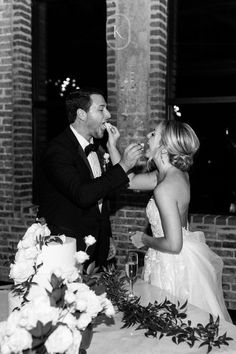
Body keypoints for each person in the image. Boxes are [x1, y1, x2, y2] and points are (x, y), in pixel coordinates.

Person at [107, 119, 231, 322]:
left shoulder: (164, 187)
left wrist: (144, 239)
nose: (148, 136)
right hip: (174, 259)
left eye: (153, 134)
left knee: (168, 324)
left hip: (172, 266)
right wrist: (113, 145)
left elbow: (173, 244)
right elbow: (128, 181)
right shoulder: (174, 174)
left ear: (164, 148)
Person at [37, 88, 143, 267]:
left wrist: (106, 237)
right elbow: (83, 195)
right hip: (68, 248)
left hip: (98, 245)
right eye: (101, 109)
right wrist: (123, 166)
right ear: (81, 114)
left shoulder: (99, 149)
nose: (108, 115)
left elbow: (102, 195)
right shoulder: (57, 150)